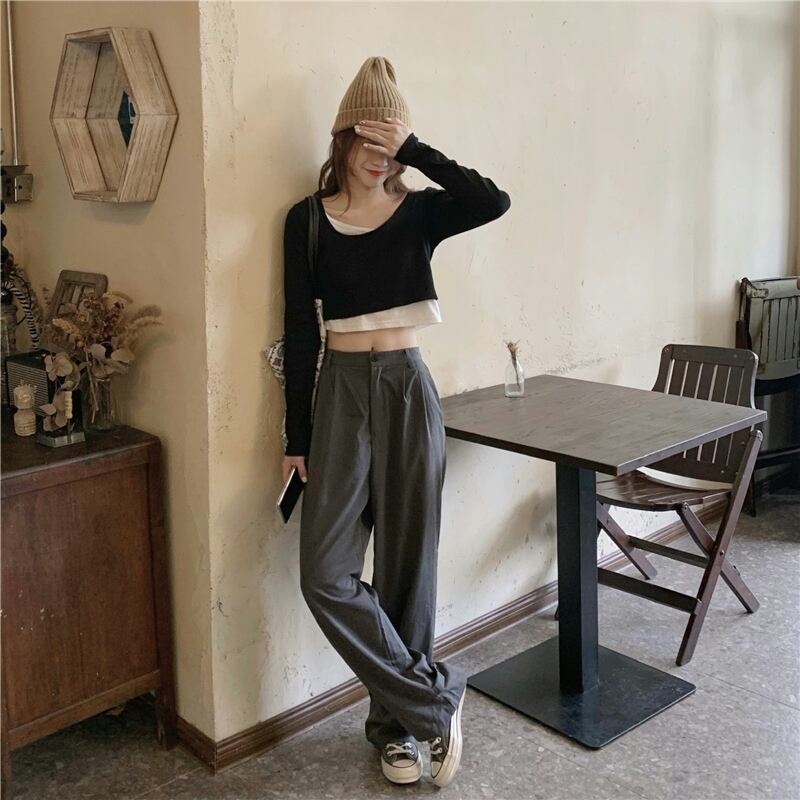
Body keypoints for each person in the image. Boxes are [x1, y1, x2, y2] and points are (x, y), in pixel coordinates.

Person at [281, 56, 510, 787]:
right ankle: (435, 701)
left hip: (409, 388)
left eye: (392, 141)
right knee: (326, 573)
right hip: (342, 393)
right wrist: (295, 438)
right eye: (369, 138)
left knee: (410, 568)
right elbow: (299, 332)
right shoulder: (306, 221)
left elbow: (493, 200)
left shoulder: (422, 212)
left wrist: (417, 149)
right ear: (343, 138)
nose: (379, 155)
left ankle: (398, 731)